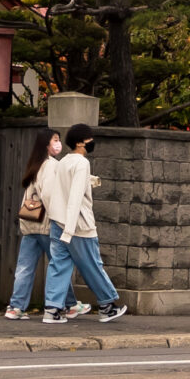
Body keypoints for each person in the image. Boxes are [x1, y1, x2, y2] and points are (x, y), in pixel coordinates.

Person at [40, 122, 128, 324]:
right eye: (89, 138)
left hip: (57, 222)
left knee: (58, 266)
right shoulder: (81, 163)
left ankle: (52, 310)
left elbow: (53, 191)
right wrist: (70, 230)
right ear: (80, 143)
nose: (92, 141)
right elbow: (75, 198)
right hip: (78, 226)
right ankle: (107, 306)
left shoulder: (63, 161)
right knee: (92, 265)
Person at [5, 131, 71, 320]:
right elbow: (48, 195)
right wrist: (60, 219)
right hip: (46, 225)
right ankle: (71, 304)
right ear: (46, 144)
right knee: (60, 265)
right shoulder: (51, 165)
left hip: (30, 223)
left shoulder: (36, 164)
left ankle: (15, 307)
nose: (59, 143)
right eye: (55, 140)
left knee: (25, 268)